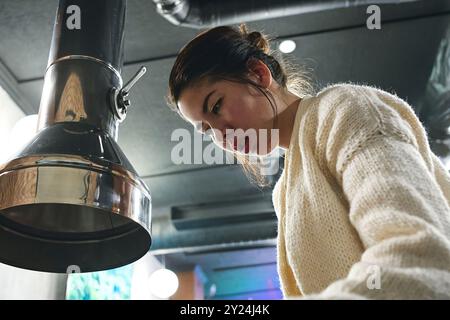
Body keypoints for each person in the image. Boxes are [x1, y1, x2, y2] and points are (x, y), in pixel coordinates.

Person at [166, 24, 450, 299]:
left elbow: (421, 257)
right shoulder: (285, 190)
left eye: (216, 106)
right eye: (206, 130)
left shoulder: (344, 111)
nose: (221, 136)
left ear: (257, 74)